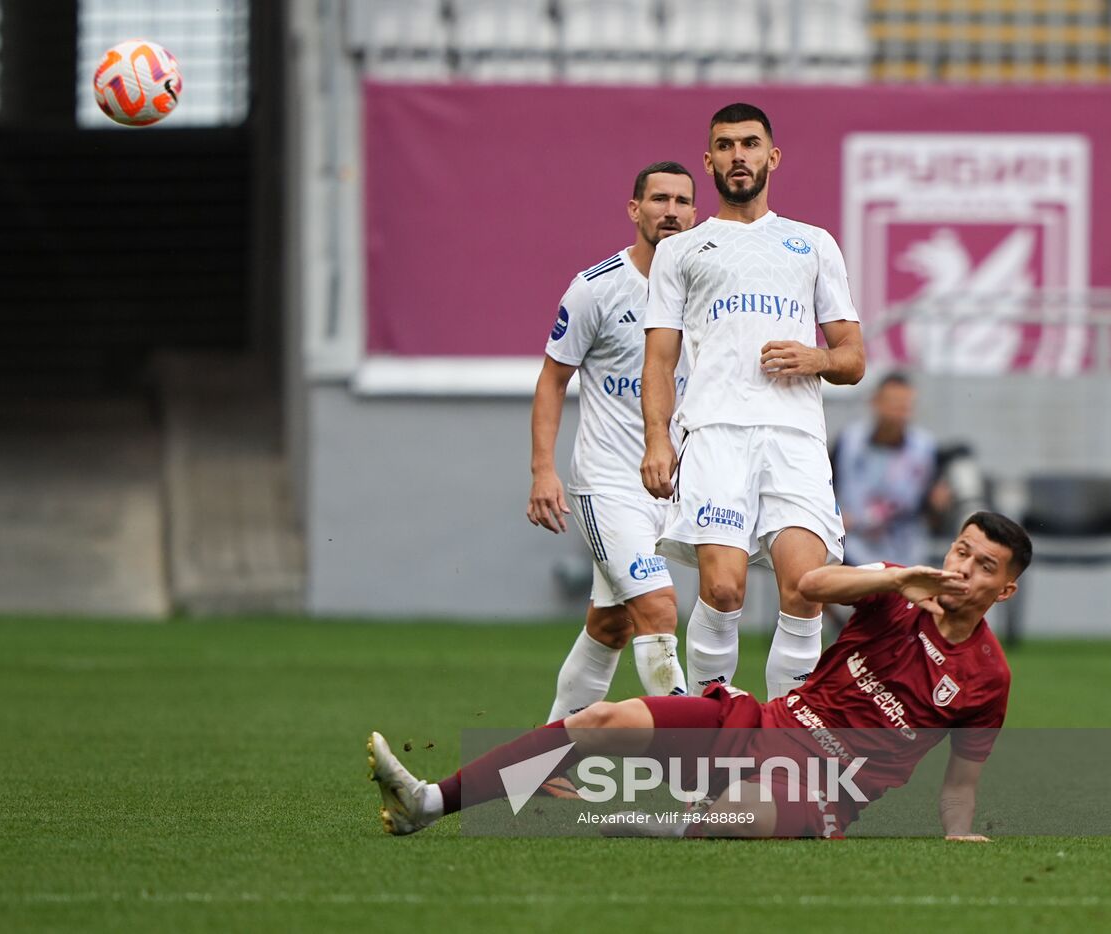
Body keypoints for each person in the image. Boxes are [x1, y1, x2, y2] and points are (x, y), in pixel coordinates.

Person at [368, 512, 1030, 840]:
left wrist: (957, 835)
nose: (962, 567)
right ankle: (429, 803)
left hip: (829, 785)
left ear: (1004, 591)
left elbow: (961, 781)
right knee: (600, 722)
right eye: (960, 551)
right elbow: (809, 583)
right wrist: (895, 576)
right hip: (763, 727)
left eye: (983, 565)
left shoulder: (986, 680)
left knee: (733, 815)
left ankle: (658, 815)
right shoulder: (896, 591)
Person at [639, 102, 866, 701]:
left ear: (773, 156)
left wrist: (815, 357)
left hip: (794, 439)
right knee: (722, 590)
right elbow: (659, 358)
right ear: (708, 160)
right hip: (715, 434)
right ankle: (710, 746)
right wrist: (658, 439)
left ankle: (784, 751)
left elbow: (853, 357)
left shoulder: (813, 244)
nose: (738, 155)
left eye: (750, 143)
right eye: (726, 145)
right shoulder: (681, 250)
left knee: (807, 588)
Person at [527, 162, 698, 713]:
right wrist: (542, 470)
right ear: (635, 209)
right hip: (610, 486)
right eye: (659, 200)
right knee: (660, 611)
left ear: (695, 214)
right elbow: (553, 380)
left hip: (677, 490)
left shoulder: (706, 290)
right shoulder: (596, 288)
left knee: (610, 625)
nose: (671, 211)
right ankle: (694, 768)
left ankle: (544, 764)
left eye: (681, 201)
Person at [831, 372, 951, 568]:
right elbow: (825, 484)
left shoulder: (925, 449)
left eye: (906, 406)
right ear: (875, 402)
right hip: (851, 551)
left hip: (905, 554)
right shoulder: (848, 441)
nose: (899, 412)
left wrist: (938, 505)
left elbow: (931, 504)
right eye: (893, 403)